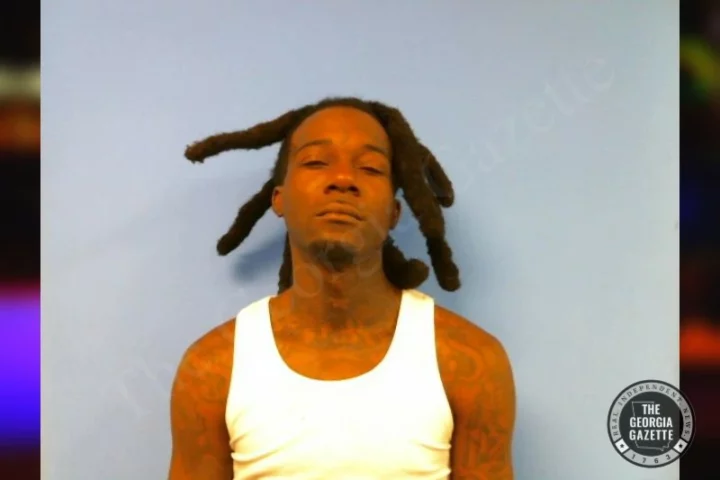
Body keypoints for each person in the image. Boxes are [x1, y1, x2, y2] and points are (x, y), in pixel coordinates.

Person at [168, 97, 516, 479]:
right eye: (316, 162)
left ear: (394, 212)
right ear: (279, 199)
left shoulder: (469, 363)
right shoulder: (212, 369)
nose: (343, 180)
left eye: (370, 168)